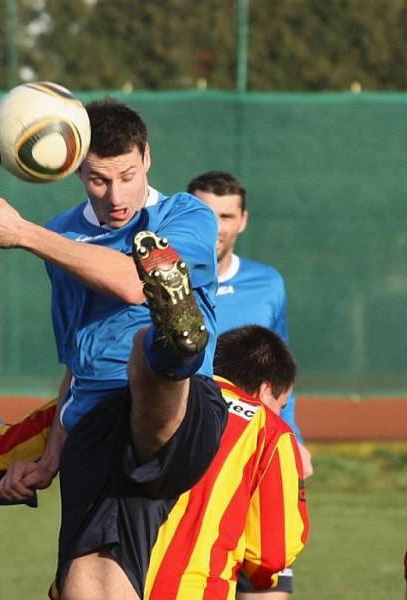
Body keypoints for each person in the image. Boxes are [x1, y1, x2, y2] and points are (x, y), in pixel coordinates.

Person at [0, 240, 309, 599]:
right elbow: (272, 553)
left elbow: (15, 440)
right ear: (270, 391)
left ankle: (164, 348)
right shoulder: (270, 434)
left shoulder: (113, 395)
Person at [0, 96, 219, 504]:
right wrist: (50, 460)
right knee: (87, 566)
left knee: (154, 349)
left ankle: (175, 348)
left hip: (175, 411)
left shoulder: (186, 215)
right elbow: (77, 362)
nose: (116, 195)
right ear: (76, 170)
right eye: (99, 180)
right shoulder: (61, 234)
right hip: (93, 425)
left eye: (128, 175)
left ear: (147, 158)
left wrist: (25, 234)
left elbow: (134, 285)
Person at [187, 170, 311, 599]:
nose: (216, 227)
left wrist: (291, 441)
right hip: (188, 449)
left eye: (226, 215)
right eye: (205, 214)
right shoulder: (161, 279)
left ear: (242, 220)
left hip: (255, 449)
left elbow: (278, 373)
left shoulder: (268, 283)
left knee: (267, 567)